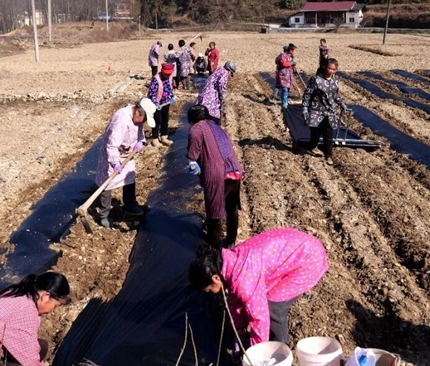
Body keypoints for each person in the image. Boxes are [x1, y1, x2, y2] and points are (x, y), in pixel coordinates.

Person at [189, 228, 328, 347]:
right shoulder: (229, 261)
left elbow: (259, 318)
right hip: (296, 248)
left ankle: (281, 347)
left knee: (273, 306)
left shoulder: (244, 278)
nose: (211, 293)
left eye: (209, 290)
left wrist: (258, 353)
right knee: (261, 299)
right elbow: (236, 297)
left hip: (309, 260)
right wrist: (240, 328)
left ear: (215, 278)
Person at [92, 98, 156, 228]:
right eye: (143, 120)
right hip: (113, 152)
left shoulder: (137, 117)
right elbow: (111, 145)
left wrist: (140, 141)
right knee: (107, 181)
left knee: (129, 177)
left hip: (127, 153)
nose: (143, 123)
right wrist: (115, 162)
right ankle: (104, 214)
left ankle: (129, 204)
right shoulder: (121, 119)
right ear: (138, 112)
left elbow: (139, 132)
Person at [186, 104, 243, 247]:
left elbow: (193, 154)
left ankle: (215, 249)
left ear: (191, 119)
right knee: (231, 207)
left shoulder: (196, 129)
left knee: (214, 211)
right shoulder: (216, 126)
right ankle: (230, 241)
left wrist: (193, 163)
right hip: (234, 171)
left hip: (218, 174)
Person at [301, 58, 349, 165]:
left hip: (330, 112)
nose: (330, 71)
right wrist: (305, 108)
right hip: (316, 111)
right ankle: (312, 147)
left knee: (328, 134)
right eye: (329, 68)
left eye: (333, 69)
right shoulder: (316, 80)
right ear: (325, 67)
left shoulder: (335, 81)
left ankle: (328, 155)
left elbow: (336, 95)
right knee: (316, 132)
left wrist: (342, 104)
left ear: (336, 70)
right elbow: (307, 95)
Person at [196, 61, 236, 125]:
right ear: (229, 71)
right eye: (231, 74)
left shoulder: (219, 70)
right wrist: (222, 95)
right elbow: (221, 85)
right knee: (212, 116)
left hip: (204, 94)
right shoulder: (224, 73)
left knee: (203, 113)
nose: (229, 76)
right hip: (210, 97)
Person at [148, 62, 175, 146]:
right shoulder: (156, 79)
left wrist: (172, 96)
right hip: (157, 104)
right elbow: (152, 93)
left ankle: (164, 136)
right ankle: (155, 139)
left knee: (165, 119)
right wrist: (156, 103)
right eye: (166, 74)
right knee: (157, 120)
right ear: (162, 71)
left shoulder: (170, 78)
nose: (167, 76)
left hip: (166, 102)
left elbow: (170, 88)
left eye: (169, 74)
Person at [275, 43, 297, 109]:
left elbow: (292, 65)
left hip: (288, 76)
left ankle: (283, 101)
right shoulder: (283, 56)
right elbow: (283, 64)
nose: (295, 52)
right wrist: (291, 63)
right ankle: (284, 104)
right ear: (291, 51)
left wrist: (294, 67)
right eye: (294, 51)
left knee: (287, 89)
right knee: (285, 89)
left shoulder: (291, 57)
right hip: (283, 76)